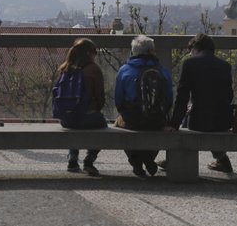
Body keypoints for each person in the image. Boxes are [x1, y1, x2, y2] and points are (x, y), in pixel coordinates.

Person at [168, 33, 234, 173]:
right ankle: (222, 158)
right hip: (223, 122)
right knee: (202, 111)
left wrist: (174, 123)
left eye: (191, 51)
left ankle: (174, 159)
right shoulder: (225, 65)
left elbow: (182, 96)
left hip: (199, 122)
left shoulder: (190, 64)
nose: (190, 54)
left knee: (190, 114)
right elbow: (229, 96)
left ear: (196, 48)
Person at [114, 35, 173, 177]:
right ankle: (148, 158)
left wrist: (124, 112)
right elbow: (169, 100)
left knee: (118, 123)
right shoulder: (163, 71)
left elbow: (119, 99)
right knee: (159, 125)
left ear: (134, 51)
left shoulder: (125, 70)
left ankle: (135, 161)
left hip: (133, 119)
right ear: (152, 51)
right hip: (157, 119)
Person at [53, 38, 107, 176]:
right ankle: (89, 159)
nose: (95, 56)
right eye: (94, 53)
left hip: (66, 119)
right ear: (89, 53)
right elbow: (101, 98)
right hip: (87, 118)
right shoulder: (93, 69)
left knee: (75, 120)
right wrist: (95, 109)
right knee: (102, 124)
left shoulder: (65, 68)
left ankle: (72, 157)